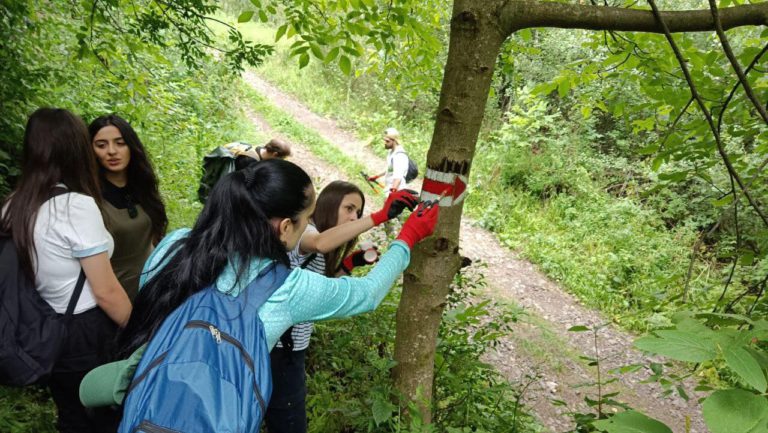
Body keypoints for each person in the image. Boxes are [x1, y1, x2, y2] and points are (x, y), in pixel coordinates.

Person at [79, 159, 436, 432]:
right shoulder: (285, 288)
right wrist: (407, 239)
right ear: (284, 228)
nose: (308, 227)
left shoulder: (177, 244)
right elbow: (368, 294)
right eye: (307, 219)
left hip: (145, 405)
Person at [0, 108, 132, 433]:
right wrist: (140, 330)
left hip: (47, 328)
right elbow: (106, 291)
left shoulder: (12, 205)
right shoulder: (74, 206)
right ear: (76, 148)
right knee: (105, 417)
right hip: (87, 332)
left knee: (72, 414)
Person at [266, 180, 418, 433]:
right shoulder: (305, 230)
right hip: (278, 348)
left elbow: (320, 291)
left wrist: (348, 264)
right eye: (348, 208)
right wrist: (379, 216)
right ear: (329, 204)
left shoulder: (322, 243)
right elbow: (319, 243)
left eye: (357, 212)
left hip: (291, 348)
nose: (353, 216)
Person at [89, 114, 168, 301]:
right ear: (90, 151)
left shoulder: (143, 187)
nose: (112, 151)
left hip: (149, 289)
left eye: (120, 143)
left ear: (131, 146)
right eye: (101, 145)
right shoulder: (89, 198)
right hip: (111, 296)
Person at [367, 127, 410, 192]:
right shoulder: (392, 152)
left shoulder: (400, 155)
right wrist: (376, 176)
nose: (385, 143)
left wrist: (393, 192)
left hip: (396, 190)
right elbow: (390, 169)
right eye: (384, 140)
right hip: (389, 188)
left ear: (394, 141)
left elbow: (398, 177)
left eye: (387, 141)